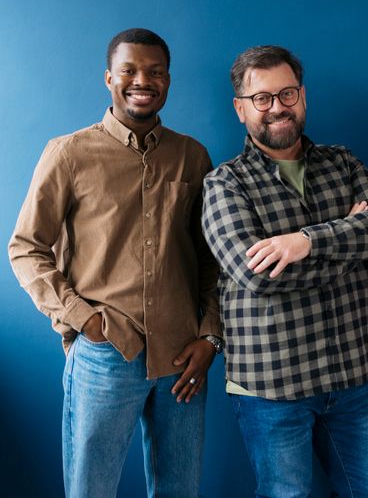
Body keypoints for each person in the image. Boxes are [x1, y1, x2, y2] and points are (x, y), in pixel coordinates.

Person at [8, 28, 222, 498]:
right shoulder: (68, 154)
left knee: (179, 491)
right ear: (109, 78)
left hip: (183, 357)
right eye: (129, 70)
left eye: (154, 71)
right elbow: (26, 248)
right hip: (106, 353)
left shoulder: (192, 156)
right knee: (92, 490)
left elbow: (211, 257)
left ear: (168, 81)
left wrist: (210, 336)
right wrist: (85, 322)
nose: (141, 80)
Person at [201, 45, 368, 498]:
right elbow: (257, 275)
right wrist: (350, 245)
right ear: (241, 108)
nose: (277, 108)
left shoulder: (342, 161)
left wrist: (304, 242)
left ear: (303, 96)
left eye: (287, 94)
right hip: (273, 385)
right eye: (262, 98)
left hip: (350, 373)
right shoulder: (224, 183)